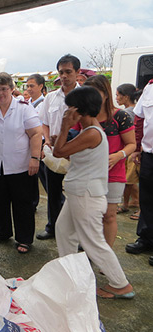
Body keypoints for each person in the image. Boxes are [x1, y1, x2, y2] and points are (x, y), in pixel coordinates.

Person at [53, 85, 135, 299]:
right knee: (63, 230)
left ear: (80, 110)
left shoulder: (91, 133)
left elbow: (59, 151)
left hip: (86, 195)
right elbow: (71, 155)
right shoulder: (88, 132)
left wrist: (64, 128)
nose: (68, 112)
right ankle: (70, 275)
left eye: (71, 108)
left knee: (92, 242)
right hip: (81, 193)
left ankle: (120, 284)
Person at [0, 72, 42, 253]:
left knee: (23, 203)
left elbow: (36, 134)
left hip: (21, 165)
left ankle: (24, 238)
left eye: (4, 89)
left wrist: (34, 158)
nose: (1, 93)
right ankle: (2, 231)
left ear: (12, 89)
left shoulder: (23, 108)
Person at [83, 75, 136, 247]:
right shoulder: (84, 117)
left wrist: (118, 155)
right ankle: (90, 248)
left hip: (113, 174)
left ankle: (105, 254)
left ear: (106, 93)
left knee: (109, 215)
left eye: (96, 92)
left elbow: (131, 144)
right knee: (88, 214)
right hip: (88, 174)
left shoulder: (120, 116)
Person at [36, 54, 81, 240]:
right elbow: (44, 122)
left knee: (77, 195)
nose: (64, 76)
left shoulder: (85, 96)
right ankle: (52, 227)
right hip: (54, 152)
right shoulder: (51, 98)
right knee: (53, 191)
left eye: (68, 72)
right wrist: (47, 140)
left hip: (78, 152)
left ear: (77, 72)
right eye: (61, 72)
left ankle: (78, 234)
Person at [125, 79, 153, 266]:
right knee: (147, 197)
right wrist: (137, 147)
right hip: (149, 152)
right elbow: (140, 119)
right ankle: (146, 238)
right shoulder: (150, 88)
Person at [116, 84, 142, 216]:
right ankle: (134, 201)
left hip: (132, 152)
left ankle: (127, 204)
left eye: (118, 95)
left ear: (126, 97)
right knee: (131, 180)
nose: (116, 98)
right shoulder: (135, 110)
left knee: (129, 180)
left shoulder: (127, 113)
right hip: (134, 150)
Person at [26, 74, 47, 212]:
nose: (28, 89)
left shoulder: (45, 104)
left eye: (31, 86)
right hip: (29, 147)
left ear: (40, 86)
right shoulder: (26, 104)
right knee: (31, 179)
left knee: (46, 181)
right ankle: (32, 204)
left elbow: (44, 128)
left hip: (42, 147)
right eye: (27, 86)